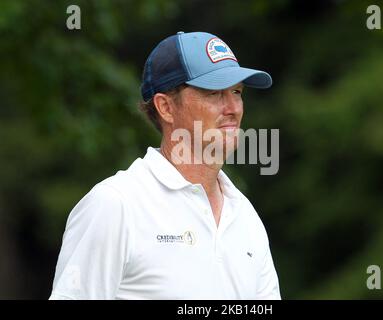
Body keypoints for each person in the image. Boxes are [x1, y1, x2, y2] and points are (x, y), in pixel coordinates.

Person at [49, 31, 281, 300]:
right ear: (166, 108)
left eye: (237, 92)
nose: (233, 108)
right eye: (215, 93)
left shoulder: (245, 217)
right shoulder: (115, 205)